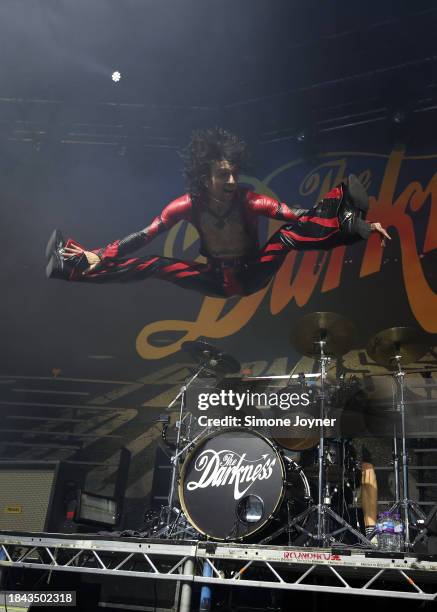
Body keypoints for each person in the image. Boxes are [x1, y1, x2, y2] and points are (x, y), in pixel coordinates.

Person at [46, 127, 390, 297]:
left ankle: (347, 217)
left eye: (233, 173)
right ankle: (75, 269)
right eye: (222, 174)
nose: (230, 180)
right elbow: (146, 235)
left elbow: (297, 215)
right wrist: (99, 254)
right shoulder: (185, 206)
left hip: (253, 273)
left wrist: (360, 225)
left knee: (288, 235)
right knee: (155, 264)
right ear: (204, 178)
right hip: (213, 278)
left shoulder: (251, 200)